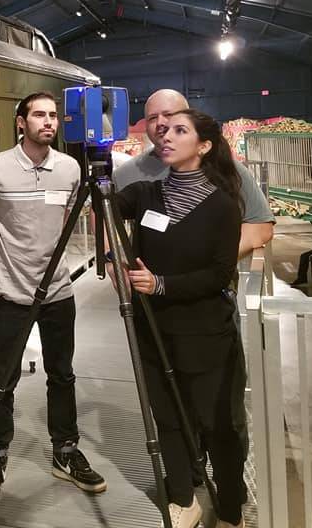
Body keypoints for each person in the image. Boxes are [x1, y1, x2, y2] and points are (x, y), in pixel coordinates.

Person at [111, 109, 248, 528]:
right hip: (154, 329)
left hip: (205, 332)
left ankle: (228, 508)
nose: (165, 137)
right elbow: (104, 202)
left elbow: (218, 273)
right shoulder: (146, 194)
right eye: (164, 131)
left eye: (179, 131)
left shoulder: (222, 204)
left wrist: (161, 285)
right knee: (168, 416)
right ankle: (184, 499)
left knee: (217, 423)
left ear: (203, 146)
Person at [0, 91, 106, 503]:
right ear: (20, 122)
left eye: (54, 116)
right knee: (2, 379)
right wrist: (11, 271)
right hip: (11, 294)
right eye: (40, 115)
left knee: (62, 374)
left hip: (59, 293)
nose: (49, 122)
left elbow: (62, 225)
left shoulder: (68, 168)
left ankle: (64, 451)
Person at [113, 89, 274, 259]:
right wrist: (111, 258)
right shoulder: (125, 174)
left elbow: (260, 226)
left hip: (210, 282)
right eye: (152, 118)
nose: (161, 122)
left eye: (169, 115)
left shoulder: (227, 170)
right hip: (144, 282)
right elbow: (101, 210)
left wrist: (211, 260)